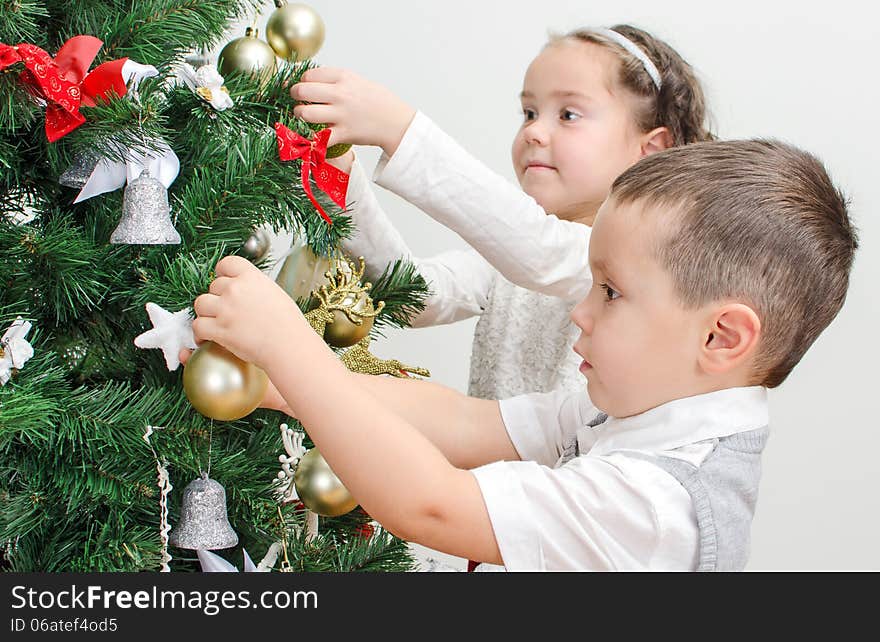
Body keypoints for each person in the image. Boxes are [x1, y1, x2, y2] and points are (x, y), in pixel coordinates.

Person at [189, 138, 858, 570]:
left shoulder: (656, 504)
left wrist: (290, 346)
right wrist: (279, 380)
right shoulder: (637, 412)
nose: (580, 311)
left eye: (612, 292)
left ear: (720, 338)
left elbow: (431, 503)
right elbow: (463, 423)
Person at [289, 25, 713, 400]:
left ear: (649, 151)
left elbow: (540, 252)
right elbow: (413, 295)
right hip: (487, 484)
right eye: (529, 112)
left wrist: (398, 129)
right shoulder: (509, 265)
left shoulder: (638, 258)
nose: (533, 130)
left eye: (568, 114)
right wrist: (338, 180)